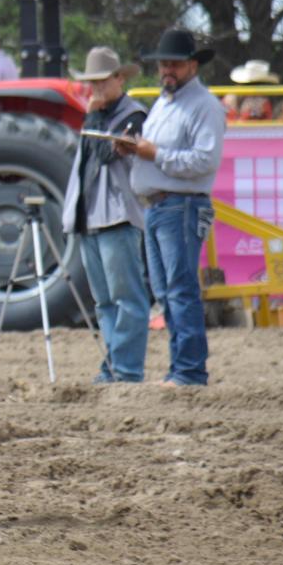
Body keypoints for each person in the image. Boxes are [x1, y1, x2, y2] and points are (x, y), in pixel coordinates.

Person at [118, 27, 226, 388]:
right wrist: (134, 150)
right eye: (164, 64)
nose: (167, 70)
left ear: (192, 65)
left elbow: (204, 161)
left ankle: (189, 370)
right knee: (167, 292)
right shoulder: (166, 102)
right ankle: (181, 368)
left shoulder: (204, 105)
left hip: (181, 204)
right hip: (161, 206)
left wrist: (154, 154)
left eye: (175, 64)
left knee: (179, 290)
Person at [62, 47, 150, 383]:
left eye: (101, 81)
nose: (95, 88)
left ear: (118, 79)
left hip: (116, 217)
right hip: (93, 217)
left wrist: (93, 117)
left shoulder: (134, 116)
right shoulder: (100, 115)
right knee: (104, 303)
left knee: (125, 298)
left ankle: (125, 370)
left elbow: (103, 153)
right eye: (91, 82)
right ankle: (114, 367)